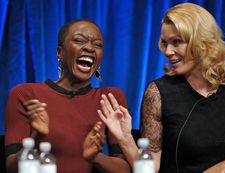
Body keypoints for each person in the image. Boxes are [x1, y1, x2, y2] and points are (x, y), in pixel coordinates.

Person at [97, 3, 225, 173]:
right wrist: (125, 138)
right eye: (165, 43)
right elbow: (151, 169)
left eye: (177, 42)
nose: (168, 51)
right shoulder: (158, 93)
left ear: (202, 41)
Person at [4, 19, 130, 173]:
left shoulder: (110, 98)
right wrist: (36, 138)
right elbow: (11, 168)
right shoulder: (25, 94)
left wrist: (95, 157)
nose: (90, 48)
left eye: (97, 45)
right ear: (60, 53)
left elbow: (126, 169)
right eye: (79, 40)